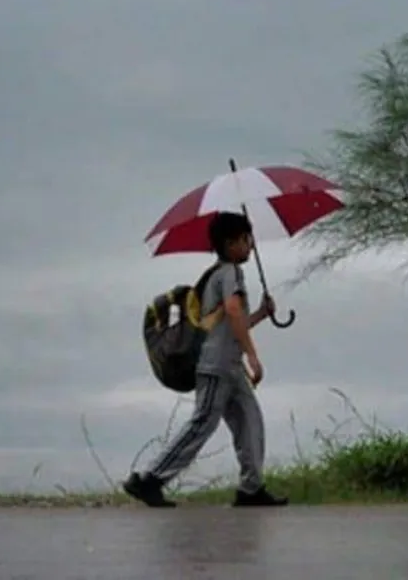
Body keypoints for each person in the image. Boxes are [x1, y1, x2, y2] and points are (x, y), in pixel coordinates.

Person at [123, 211, 289, 508]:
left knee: (250, 421)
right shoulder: (230, 274)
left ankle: (251, 488)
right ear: (230, 243)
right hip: (216, 367)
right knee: (202, 423)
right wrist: (253, 355)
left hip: (230, 367)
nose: (251, 245)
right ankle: (150, 479)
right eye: (246, 239)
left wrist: (262, 314)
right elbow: (234, 312)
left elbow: (230, 324)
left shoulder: (217, 276)